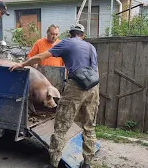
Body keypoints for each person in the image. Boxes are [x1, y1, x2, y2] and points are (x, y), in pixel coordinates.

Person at [9, 24, 100, 168]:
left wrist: (22, 64)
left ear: (70, 34)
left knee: (61, 126)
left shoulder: (66, 43)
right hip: (94, 87)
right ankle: (87, 163)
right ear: (82, 35)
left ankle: (54, 163)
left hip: (76, 86)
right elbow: (96, 71)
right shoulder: (91, 47)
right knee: (89, 126)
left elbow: (40, 57)